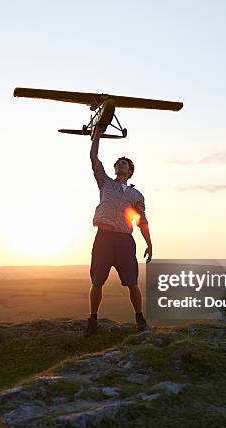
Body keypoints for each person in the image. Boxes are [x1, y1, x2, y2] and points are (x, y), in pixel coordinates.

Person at [85, 123, 152, 337]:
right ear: (115, 169)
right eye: (118, 163)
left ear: (130, 171)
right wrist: (96, 136)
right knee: (97, 281)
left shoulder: (136, 195)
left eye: (125, 163)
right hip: (103, 237)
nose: (120, 164)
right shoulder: (105, 183)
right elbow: (94, 159)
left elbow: (141, 221)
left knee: (132, 283)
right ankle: (92, 320)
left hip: (124, 240)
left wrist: (149, 243)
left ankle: (140, 318)